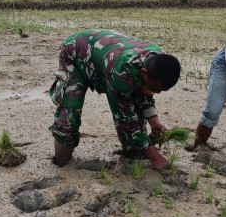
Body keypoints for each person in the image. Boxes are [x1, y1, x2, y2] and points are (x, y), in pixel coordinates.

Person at [49, 29, 181, 168]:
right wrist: (155, 157)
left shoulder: (160, 60)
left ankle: (133, 154)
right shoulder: (121, 73)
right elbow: (126, 119)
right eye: (155, 88)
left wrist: (155, 122)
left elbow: (144, 94)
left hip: (108, 57)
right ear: (144, 73)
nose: (157, 93)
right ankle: (61, 164)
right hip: (75, 53)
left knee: (137, 126)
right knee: (70, 117)